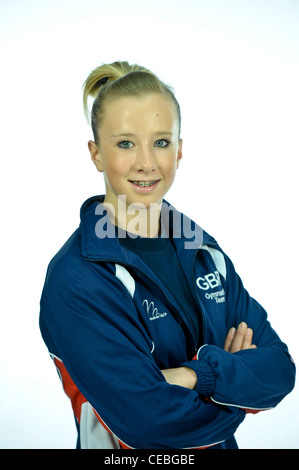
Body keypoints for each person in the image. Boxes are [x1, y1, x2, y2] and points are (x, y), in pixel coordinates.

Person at [39, 61, 295, 449]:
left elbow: (279, 372)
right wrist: (237, 383)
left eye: (161, 141)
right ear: (95, 154)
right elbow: (152, 424)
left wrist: (195, 378)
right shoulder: (77, 278)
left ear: (179, 151)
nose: (147, 162)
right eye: (125, 143)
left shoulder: (205, 251)